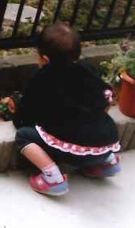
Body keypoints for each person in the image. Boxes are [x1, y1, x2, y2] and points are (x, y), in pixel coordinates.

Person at [14, 21, 121, 196]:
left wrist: (21, 119)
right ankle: (108, 163)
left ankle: (53, 178)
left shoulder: (44, 77)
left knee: (24, 136)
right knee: (89, 133)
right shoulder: (88, 70)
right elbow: (106, 98)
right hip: (106, 143)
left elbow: (24, 114)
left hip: (71, 152)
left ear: (45, 59)